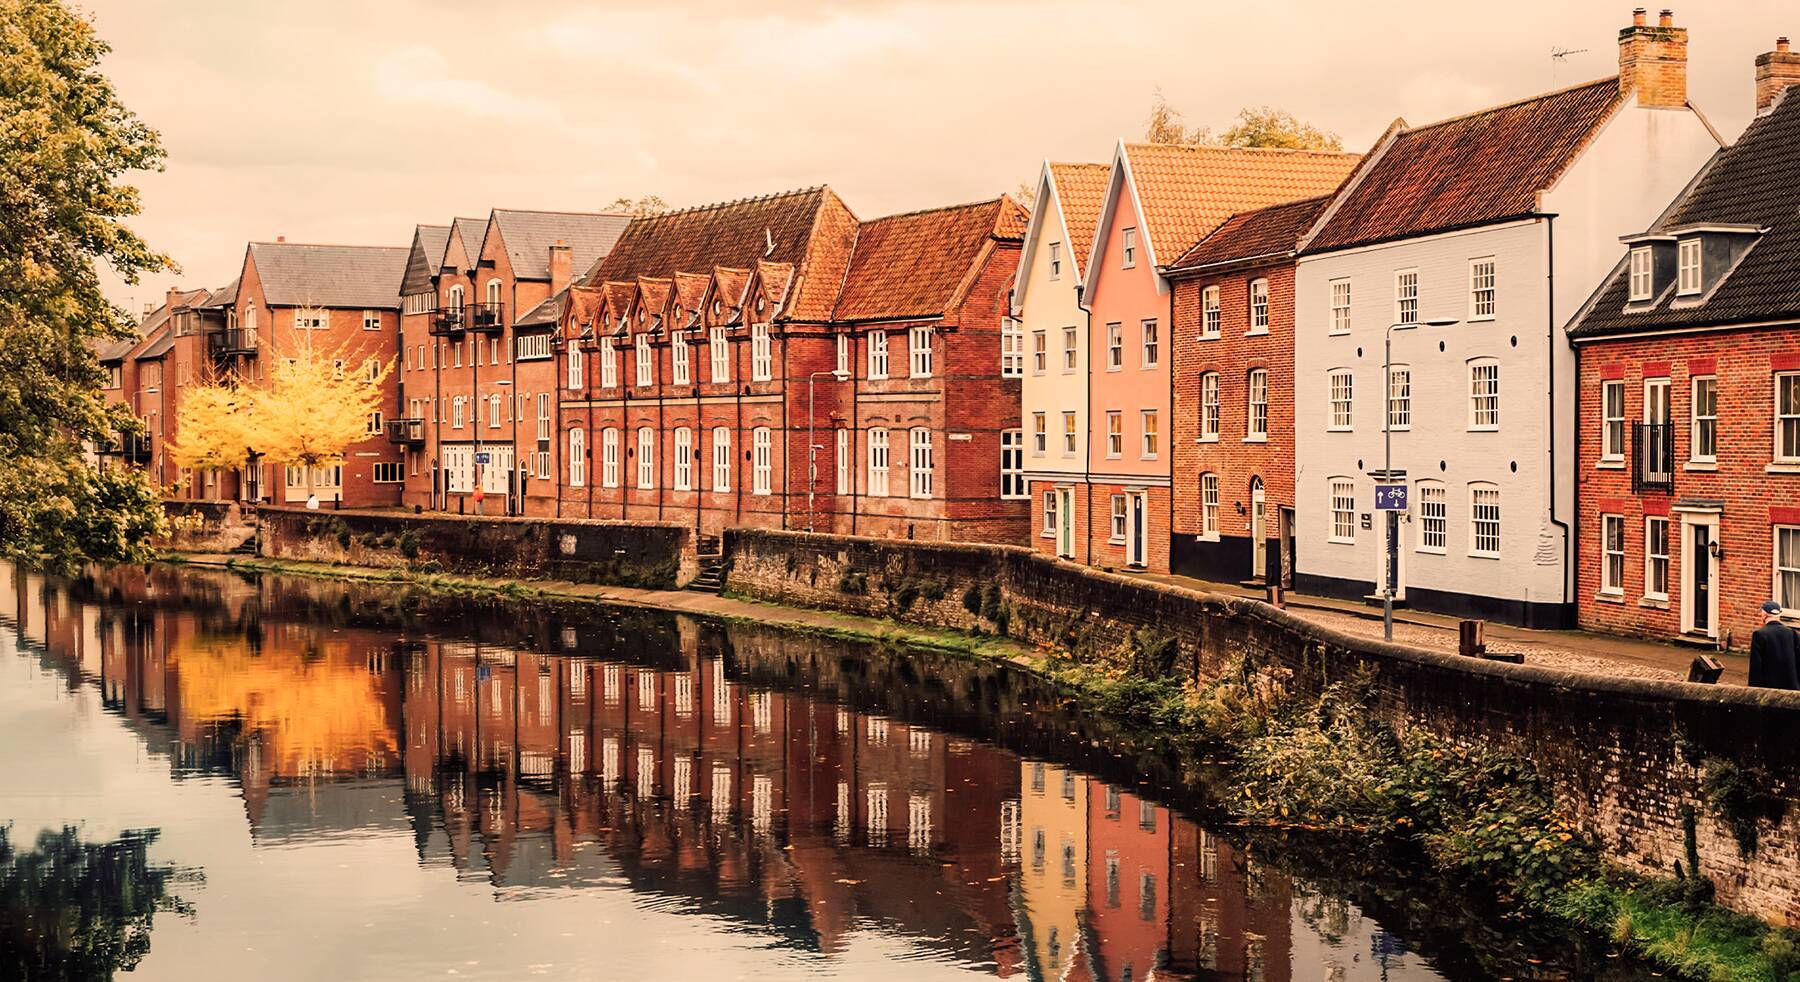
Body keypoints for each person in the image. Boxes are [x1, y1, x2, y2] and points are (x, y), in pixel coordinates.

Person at [1748, 600, 1800, 690]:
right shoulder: (1793, 633)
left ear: (1764, 615)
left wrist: (1752, 690)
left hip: (1769, 688)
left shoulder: (1759, 634)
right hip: (1791, 687)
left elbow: (1756, 667)